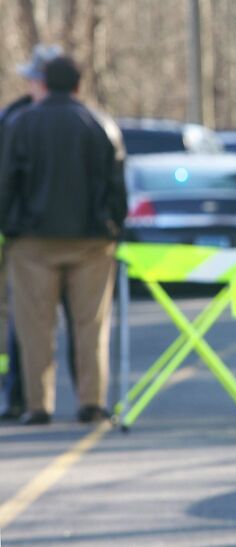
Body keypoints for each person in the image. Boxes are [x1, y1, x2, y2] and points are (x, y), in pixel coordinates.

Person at [0, 55, 127, 426]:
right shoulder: (100, 123)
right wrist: (113, 225)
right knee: (91, 324)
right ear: (77, 85)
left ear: (44, 83)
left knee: (34, 326)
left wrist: (9, 227)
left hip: (32, 241)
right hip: (92, 242)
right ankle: (92, 402)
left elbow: (6, 180)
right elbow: (116, 184)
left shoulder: (21, 123)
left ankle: (38, 405)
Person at [0, 43, 78, 421]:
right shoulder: (13, 117)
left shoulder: (83, 121)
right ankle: (17, 395)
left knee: (72, 324)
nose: (29, 83)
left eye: (35, 77)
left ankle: (85, 401)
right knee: (22, 324)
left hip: (65, 238)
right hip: (24, 237)